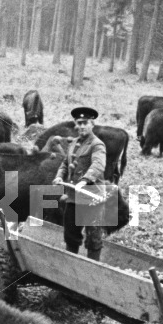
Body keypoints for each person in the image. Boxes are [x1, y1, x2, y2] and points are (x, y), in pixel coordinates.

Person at [53, 107, 108, 260]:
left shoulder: (97, 145)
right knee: (71, 234)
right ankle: (72, 265)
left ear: (92, 125)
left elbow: (98, 165)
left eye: (85, 123)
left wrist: (85, 180)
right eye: (79, 123)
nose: (82, 126)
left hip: (92, 197)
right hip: (73, 197)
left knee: (93, 238)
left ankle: (92, 268)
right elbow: (65, 162)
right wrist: (59, 176)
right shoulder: (74, 143)